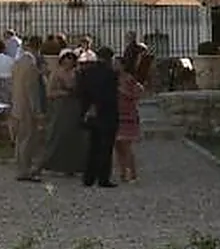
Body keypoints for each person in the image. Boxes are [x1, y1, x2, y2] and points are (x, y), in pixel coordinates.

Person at [76, 45, 120, 188]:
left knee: (93, 146)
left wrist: (87, 107)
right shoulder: (111, 74)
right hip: (107, 113)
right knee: (106, 148)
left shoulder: (86, 73)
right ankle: (103, 178)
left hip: (91, 112)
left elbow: (81, 92)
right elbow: (112, 96)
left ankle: (88, 177)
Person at [42, 51, 86, 175]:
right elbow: (49, 93)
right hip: (60, 108)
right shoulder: (56, 74)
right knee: (58, 135)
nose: (69, 64)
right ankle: (53, 164)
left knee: (73, 136)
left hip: (74, 107)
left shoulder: (76, 74)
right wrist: (63, 93)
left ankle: (73, 166)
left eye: (71, 62)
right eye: (66, 61)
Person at [11, 39, 45, 181]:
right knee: (29, 139)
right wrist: (37, 111)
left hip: (17, 104)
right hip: (27, 107)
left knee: (20, 139)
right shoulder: (30, 65)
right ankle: (26, 170)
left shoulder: (17, 63)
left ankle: (21, 168)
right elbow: (32, 90)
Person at [116, 58, 144, 183]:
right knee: (118, 147)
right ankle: (122, 172)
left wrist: (123, 92)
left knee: (126, 146)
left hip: (128, 114)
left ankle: (133, 173)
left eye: (116, 64)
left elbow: (138, 93)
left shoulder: (129, 79)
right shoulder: (113, 79)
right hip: (115, 115)